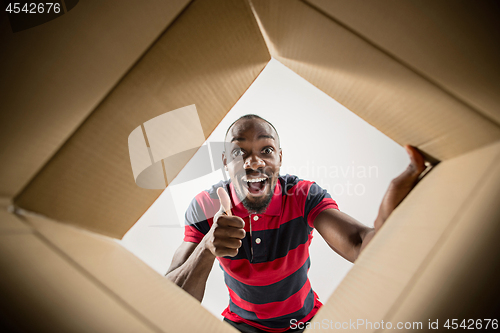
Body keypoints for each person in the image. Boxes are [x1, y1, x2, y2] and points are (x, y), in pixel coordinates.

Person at [166, 114, 426, 333]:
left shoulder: (304, 196)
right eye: (238, 152)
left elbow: (359, 244)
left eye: (266, 150)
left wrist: (386, 221)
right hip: (240, 325)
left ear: (280, 158)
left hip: (306, 322)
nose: (254, 161)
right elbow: (169, 299)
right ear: (225, 162)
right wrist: (206, 247)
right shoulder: (204, 206)